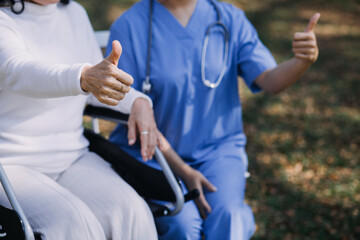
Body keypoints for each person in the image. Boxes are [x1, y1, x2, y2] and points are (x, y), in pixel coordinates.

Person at [107, 0, 320, 239]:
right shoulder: (129, 26)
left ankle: (240, 219)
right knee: (183, 225)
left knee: (227, 216)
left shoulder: (229, 18)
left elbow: (271, 81)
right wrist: (185, 172)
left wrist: (302, 61)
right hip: (151, 155)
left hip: (218, 151)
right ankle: (242, 220)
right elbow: (132, 112)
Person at [0, 0, 159, 239]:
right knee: (73, 223)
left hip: (72, 158)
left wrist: (137, 101)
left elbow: (98, 83)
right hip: (11, 164)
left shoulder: (75, 13)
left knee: (132, 211)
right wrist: (82, 77)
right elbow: (19, 70)